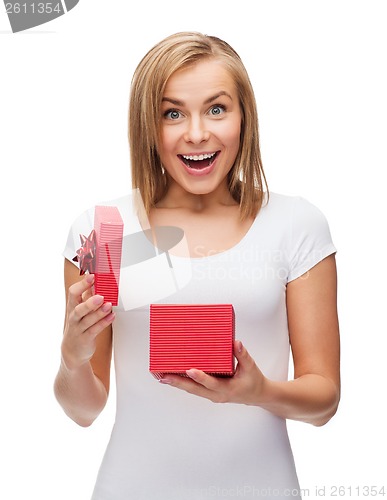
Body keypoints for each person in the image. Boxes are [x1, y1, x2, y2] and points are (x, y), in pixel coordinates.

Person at [54, 32, 340, 499]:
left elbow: (324, 400)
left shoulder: (296, 224)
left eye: (216, 108)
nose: (196, 133)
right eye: (173, 113)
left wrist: (257, 391)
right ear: (149, 125)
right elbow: (84, 410)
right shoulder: (102, 231)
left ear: (243, 117)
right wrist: (72, 358)